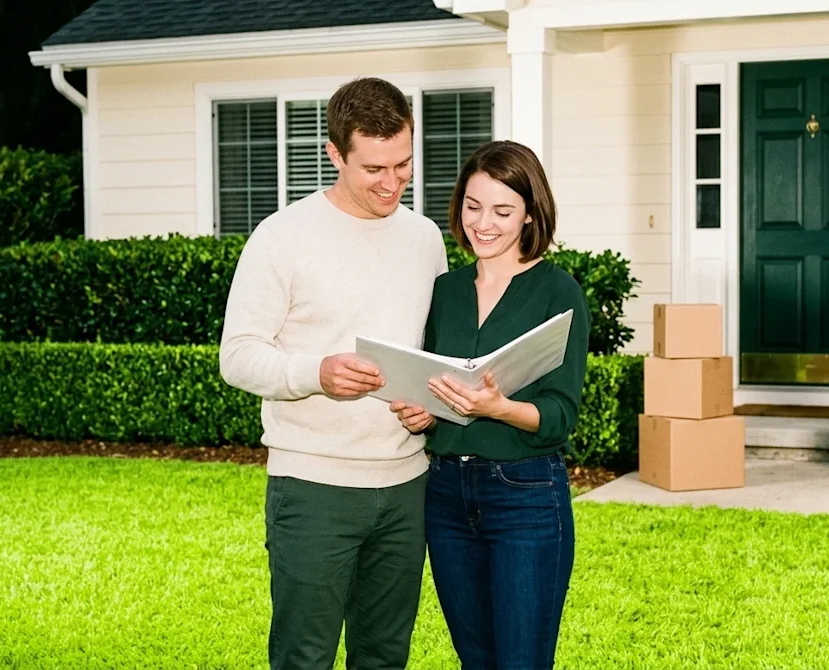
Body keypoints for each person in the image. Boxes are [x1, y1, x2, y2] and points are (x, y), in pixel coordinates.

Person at [219, 76, 447, 670]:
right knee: (305, 658)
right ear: (335, 154)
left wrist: (431, 403)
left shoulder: (425, 239)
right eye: (374, 168)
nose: (393, 182)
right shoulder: (281, 237)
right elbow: (237, 355)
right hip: (312, 489)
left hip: (406, 488)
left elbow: (429, 352)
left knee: (384, 657)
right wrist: (314, 372)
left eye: (403, 164)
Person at [390, 140, 591, 670]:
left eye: (503, 211)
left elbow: (560, 415)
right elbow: (432, 384)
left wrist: (499, 407)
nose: (484, 223)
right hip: (446, 494)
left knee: (521, 661)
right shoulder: (445, 291)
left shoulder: (558, 292)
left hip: (525, 494)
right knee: (475, 660)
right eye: (472, 206)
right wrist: (424, 412)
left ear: (529, 215)